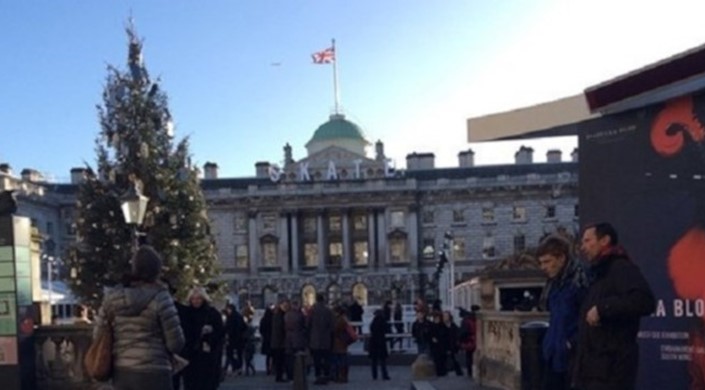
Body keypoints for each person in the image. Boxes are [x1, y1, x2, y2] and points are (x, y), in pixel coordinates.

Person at [574, 223, 656, 390]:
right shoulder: (598, 274)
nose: (583, 247)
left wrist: (603, 308)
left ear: (604, 240)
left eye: (588, 241)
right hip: (593, 370)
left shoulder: (621, 268)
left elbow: (644, 301)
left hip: (612, 371)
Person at [95, 245, 184, 390]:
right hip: (156, 371)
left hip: (123, 370)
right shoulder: (161, 297)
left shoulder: (112, 298)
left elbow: (98, 335)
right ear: (157, 270)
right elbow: (176, 344)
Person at [537, 235, 589, 390]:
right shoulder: (555, 284)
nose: (543, 267)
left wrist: (571, 343)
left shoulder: (580, 282)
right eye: (541, 263)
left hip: (572, 358)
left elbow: (587, 320)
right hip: (553, 354)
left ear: (561, 258)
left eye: (547, 261)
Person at [182, 287, 225, 390]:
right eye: (193, 299)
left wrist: (211, 333)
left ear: (204, 299)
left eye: (198, 298)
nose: (196, 301)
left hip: (208, 355)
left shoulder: (212, 313)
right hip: (191, 355)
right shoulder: (186, 313)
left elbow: (221, 333)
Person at [308, 293, 334, 385]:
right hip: (326, 339)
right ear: (323, 300)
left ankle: (318, 376)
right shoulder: (328, 311)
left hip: (315, 340)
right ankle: (326, 375)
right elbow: (332, 325)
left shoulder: (312, 311)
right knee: (326, 359)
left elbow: (308, 324)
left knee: (316, 360)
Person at [284, 300, 307, 382]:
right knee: (298, 358)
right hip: (298, 338)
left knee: (289, 358)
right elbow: (305, 325)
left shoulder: (287, 314)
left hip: (288, 339)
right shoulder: (300, 315)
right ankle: (298, 374)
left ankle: (289, 375)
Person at [331, 305, 355, 383]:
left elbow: (335, 330)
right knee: (342, 361)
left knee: (340, 361)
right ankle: (342, 376)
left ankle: (341, 377)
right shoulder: (344, 319)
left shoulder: (340, 320)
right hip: (342, 343)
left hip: (339, 343)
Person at [223, 303, 246, 377]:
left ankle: (236, 367)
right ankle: (238, 368)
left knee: (230, 354)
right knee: (238, 354)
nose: (227, 310)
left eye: (228, 309)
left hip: (233, 338)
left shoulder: (232, 317)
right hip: (239, 339)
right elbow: (244, 327)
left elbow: (230, 328)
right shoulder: (238, 316)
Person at [271, 299, 291, 383]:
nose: (286, 307)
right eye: (285, 306)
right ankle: (279, 377)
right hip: (279, 342)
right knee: (280, 360)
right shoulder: (279, 315)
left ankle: (279, 376)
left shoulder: (278, 314)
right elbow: (280, 328)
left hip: (278, 341)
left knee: (280, 360)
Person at [368, 309, 390, 380]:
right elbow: (387, 329)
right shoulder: (383, 321)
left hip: (373, 342)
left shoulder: (373, 322)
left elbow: (371, 330)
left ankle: (374, 375)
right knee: (382, 361)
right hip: (381, 342)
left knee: (374, 361)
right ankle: (384, 375)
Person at [458, 305, 479, 379]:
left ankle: (470, 372)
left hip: (469, 340)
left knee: (469, 356)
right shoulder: (478, 319)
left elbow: (463, 332)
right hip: (477, 339)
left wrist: (461, 341)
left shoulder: (466, 319)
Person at [442, 311, 464, 376]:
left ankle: (458, 372)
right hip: (444, 346)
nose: (445, 318)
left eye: (446, 316)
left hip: (452, 346)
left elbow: (457, 334)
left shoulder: (453, 326)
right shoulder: (441, 326)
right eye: (444, 316)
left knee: (454, 359)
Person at [259, 305, 274, 375]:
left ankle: (267, 368)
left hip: (266, 339)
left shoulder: (263, 319)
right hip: (272, 338)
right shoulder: (273, 319)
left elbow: (261, 329)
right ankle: (273, 368)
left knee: (268, 356)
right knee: (273, 355)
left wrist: (263, 335)